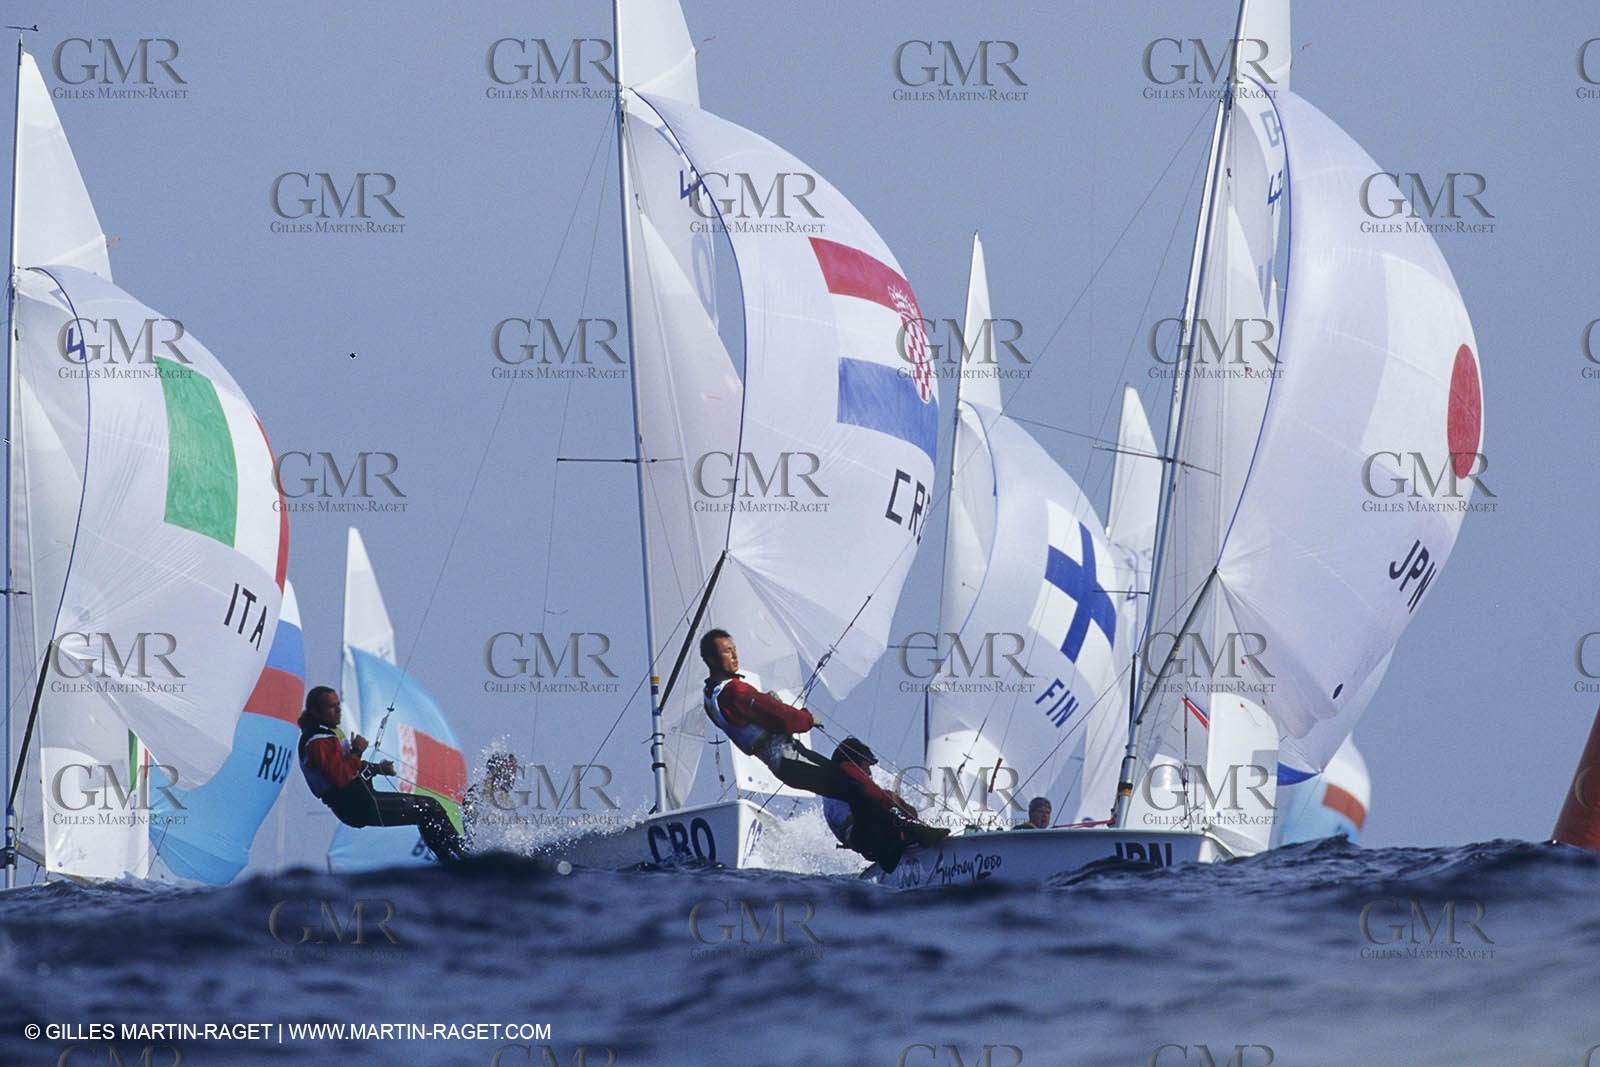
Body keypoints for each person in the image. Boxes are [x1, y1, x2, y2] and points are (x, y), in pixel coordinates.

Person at [297, 685, 468, 862]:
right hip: (357, 806)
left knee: (426, 811)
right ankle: (462, 855)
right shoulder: (317, 742)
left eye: (338, 705)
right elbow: (340, 778)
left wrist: (377, 769)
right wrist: (356, 751)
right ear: (316, 712)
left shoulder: (327, 733)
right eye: (332, 707)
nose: (338, 710)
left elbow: (347, 768)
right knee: (428, 808)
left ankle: (454, 858)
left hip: (362, 800)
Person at [700, 629, 861, 802]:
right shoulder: (735, 691)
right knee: (854, 787)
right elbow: (779, 716)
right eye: (727, 651)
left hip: (781, 766)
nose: (735, 656)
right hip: (789, 758)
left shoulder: (709, 698)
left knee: (846, 791)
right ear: (711, 659)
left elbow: (753, 715)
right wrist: (807, 718)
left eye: (735, 650)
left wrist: (766, 704)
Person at [824, 737, 949, 872]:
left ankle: (902, 845)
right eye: (868, 764)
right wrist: (900, 804)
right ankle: (917, 835)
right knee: (879, 812)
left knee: (880, 813)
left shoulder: (838, 782)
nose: (869, 772)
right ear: (856, 761)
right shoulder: (843, 777)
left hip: (866, 839)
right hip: (861, 834)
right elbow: (872, 793)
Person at [463, 752, 521, 846]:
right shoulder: (479, 790)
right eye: (511, 771)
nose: (513, 777)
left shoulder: (506, 798)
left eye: (514, 771)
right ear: (499, 770)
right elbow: (469, 822)